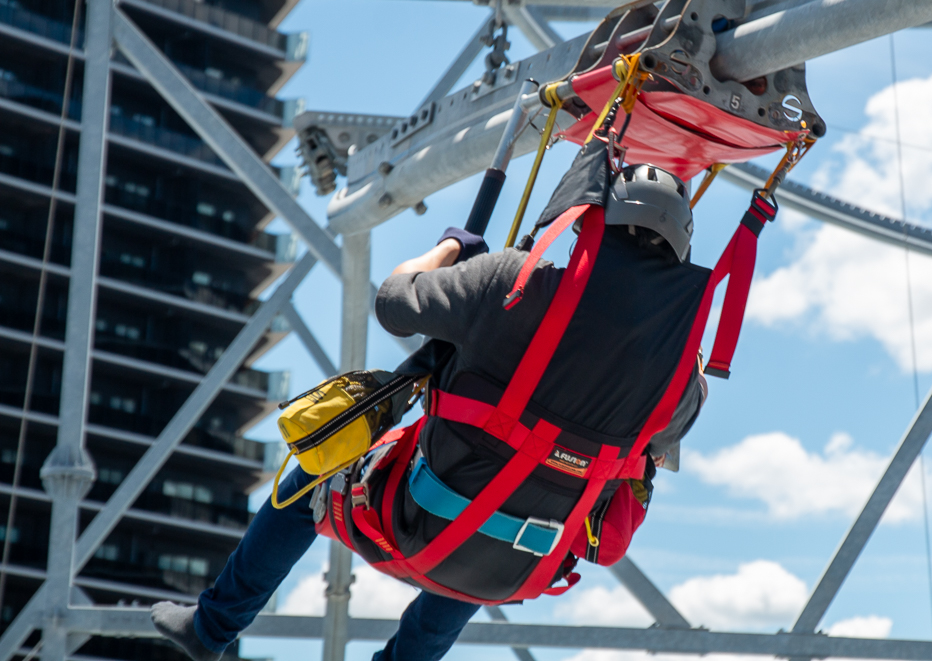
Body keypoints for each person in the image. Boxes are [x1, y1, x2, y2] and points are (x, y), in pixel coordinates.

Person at [151, 162, 710, 661]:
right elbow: (652, 450)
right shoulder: (682, 381)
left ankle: (211, 629)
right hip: (514, 571)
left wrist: (450, 248)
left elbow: (394, 301)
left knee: (311, 479)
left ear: (595, 221)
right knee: (500, 528)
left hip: (413, 520)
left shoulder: (512, 283)